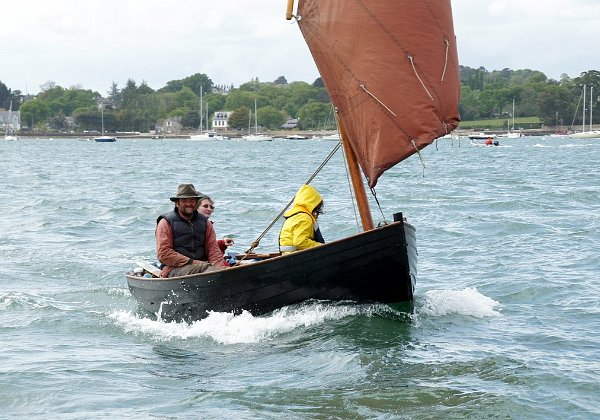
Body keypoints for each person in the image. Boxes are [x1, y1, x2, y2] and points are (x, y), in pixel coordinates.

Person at [156, 184, 226, 277]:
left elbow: (213, 250)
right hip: (174, 269)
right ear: (177, 203)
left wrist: (222, 270)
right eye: (184, 200)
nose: (189, 203)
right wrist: (192, 262)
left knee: (218, 271)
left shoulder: (205, 223)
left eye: (192, 200)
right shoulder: (166, 222)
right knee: (209, 270)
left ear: (196, 202)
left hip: (203, 266)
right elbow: (164, 253)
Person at [279, 184, 325, 253]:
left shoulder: (294, 214)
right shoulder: (305, 218)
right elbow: (300, 242)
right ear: (313, 205)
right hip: (294, 256)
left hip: (287, 255)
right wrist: (320, 246)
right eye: (317, 207)